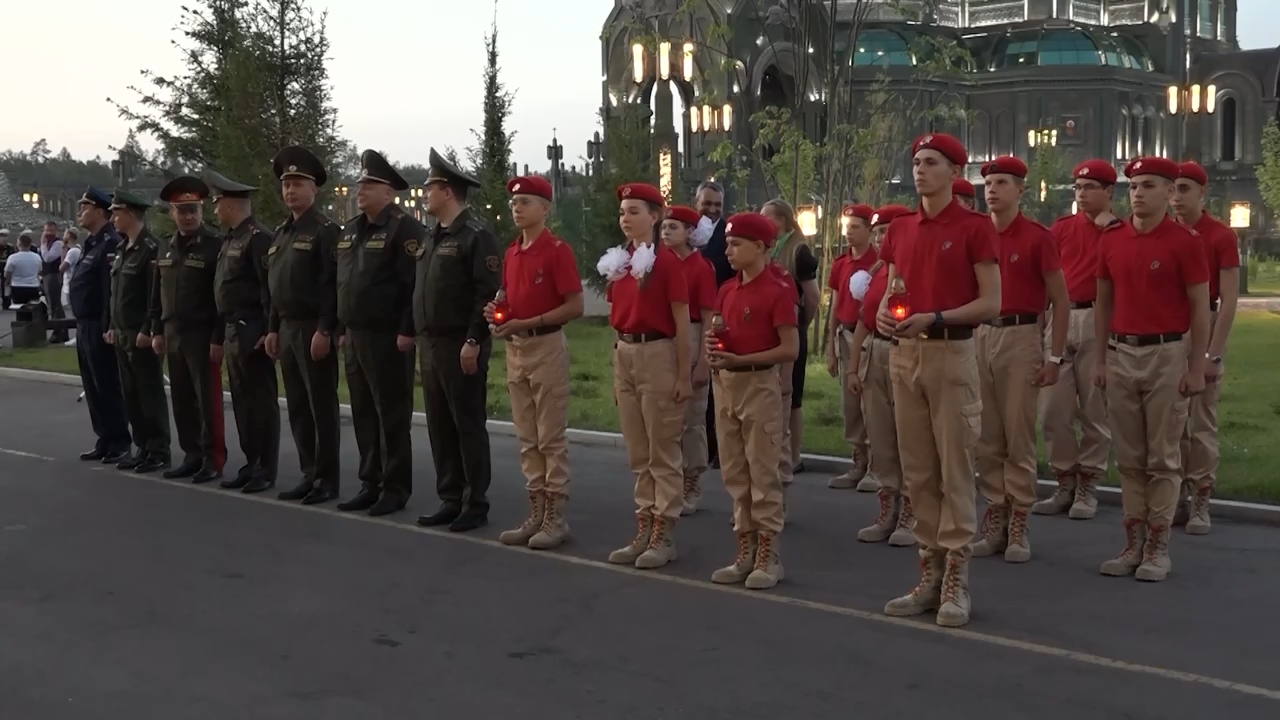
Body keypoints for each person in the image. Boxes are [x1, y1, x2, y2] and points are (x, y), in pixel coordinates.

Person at [876, 133, 1000, 628]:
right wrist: (887, 314)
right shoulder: (902, 229)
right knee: (918, 470)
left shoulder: (974, 227)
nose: (920, 170)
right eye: (916, 162)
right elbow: (892, 290)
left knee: (954, 469)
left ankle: (957, 579)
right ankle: (928, 572)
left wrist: (937, 316)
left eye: (931, 163)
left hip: (952, 353)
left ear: (954, 172)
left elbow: (991, 303)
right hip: (905, 356)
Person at [1094, 156, 1210, 582]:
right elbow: (1103, 301)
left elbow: (1201, 307)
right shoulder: (1112, 240)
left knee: (1162, 455)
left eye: (1148, 185)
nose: (1138, 193)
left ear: (1168, 191)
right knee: (1128, 456)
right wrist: (1102, 358)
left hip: (1167, 354)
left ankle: (1159, 545)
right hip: (1122, 351)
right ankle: (1133, 540)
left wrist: (1196, 367)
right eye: (1133, 186)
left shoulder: (1184, 242)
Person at [971, 156, 1069, 564]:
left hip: (1022, 334)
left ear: (1020, 190)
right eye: (989, 182)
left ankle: (1019, 520)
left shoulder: (1037, 237)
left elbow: (1060, 300)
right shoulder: (975, 234)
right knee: (985, 435)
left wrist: (1054, 356)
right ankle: (995, 513)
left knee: (1018, 433)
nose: (992, 190)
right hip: (981, 332)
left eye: (1003, 183)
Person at [489, 175, 584, 548]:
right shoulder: (513, 252)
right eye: (514, 203)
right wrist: (499, 314)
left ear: (545, 208)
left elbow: (574, 305)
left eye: (526, 202)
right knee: (527, 436)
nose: (517, 208)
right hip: (516, 349)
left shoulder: (556, 250)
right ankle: (536, 512)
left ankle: (556, 518)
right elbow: (512, 300)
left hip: (545, 346)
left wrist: (527, 321)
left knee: (550, 437)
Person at [601, 182, 692, 569]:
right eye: (623, 212)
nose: (626, 218)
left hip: (658, 353)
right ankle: (644, 524)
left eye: (635, 211)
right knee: (638, 450)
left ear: (655, 217)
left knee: (662, 448)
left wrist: (684, 375)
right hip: (626, 352)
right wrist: (614, 367)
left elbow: (682, 321)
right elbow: (614, 320)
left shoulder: (667, 262)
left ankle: (664, 532)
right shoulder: (619, 263)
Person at [706, 211, 798, 590]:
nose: (728, 250)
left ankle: (768, 554)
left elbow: (789, 348)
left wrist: (741, 360)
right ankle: (745, 548)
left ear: (761, 247)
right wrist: (716, 351)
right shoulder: (727, 289)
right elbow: (719, 331)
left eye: (736, 243)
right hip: (726, 384)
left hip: (759, 384)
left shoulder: (778, 289)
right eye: (728, 242)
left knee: (763, 474)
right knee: (735, 473)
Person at [411, 149, 500, 532]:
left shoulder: (475, 236)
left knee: (467, 423)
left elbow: (486, 294)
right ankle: (451, 496)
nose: (424, 193)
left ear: (447, 192)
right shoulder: (432, 236)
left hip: (460, 344)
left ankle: (475, 502)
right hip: (431, 345)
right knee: (439, 424)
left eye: (430, 187)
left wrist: (473, 340)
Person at [334, 150, 422, 518]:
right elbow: (343, 282)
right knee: (364, 413)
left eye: (369, 184)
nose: (361, 190)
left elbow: (412, 285)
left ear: (389, 192)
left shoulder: (405, 229)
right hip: (355, 336)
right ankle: (370, 482)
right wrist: (340, 327)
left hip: (388, 336)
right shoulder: (352, 230)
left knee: (391, 414)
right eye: (360, 183)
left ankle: (395, 487)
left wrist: (407, 329)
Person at [1033, 160, 1119, 520]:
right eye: (1078, 189)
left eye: (1090, 188)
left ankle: (1089, 484)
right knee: (1052, 409)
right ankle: (1064, 479)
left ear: (1109, 192)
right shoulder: (1062, 228)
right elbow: (1045, 279)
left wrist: (1107, 229)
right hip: (1061, 317)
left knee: (1095, 408)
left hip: (1098, 320)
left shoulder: (1119, 231)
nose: (1082, 195)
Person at [266, 146, 343, 506]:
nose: (290, 191)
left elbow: (331, 285)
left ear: (315, 188)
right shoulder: (281, 233)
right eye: (286, 185)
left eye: (298, 183)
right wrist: (271, 328)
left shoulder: (326, 231)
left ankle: (327, 478)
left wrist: (325, 329)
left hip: (313, 327)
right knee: (297, 405)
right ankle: (308, 472)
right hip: (286, 327)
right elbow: (275, 285)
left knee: (320, 406)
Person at [1172, 161, 1240, 535]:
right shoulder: (1162, 233)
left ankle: (1201, 498)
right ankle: (1176, 496)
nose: (1176, 197)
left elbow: (1227, 300)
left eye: (1184, 189)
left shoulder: (1220, 235)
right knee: (1170, 423)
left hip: (1204, 327)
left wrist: (1212, 354)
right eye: (1173, 189)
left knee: (1201, 420)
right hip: (1167, 330)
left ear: (1202, 193)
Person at [207, 169, 280, 494]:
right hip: (233, 328)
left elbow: (270, 289)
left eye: (217, 203)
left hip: (253, 329)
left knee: (260, 402)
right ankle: (251, 463)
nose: (214, 209)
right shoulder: (231, 239)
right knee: (242, 401)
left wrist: (268, 329)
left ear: (232, 204)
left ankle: (266, 467)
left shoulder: (258, 238)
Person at [847, 204, 916, 545]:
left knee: (909, 434)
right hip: (875, 350)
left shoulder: (915, 267)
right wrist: (852, 366)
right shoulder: (878, 272)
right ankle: (888, 506)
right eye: (877, 232)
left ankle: (911, 511)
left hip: (907, 349)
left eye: (887, 231)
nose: (881, 237)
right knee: (880, 431)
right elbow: (865, 316)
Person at [151, 175, 225, 484]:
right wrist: (156, 329)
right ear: (172, 213)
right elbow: (157, 293)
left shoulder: (214, 245)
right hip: (173, 332)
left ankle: (212, 458)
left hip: (202, 333)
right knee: (181, 398)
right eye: (182, 210)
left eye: (193, 209)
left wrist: (217, 337)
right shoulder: (165, 247)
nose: (188, 215)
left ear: (202, 210)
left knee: (207, 399)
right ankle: (191, 454)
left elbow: (222, 297)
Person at [106, 189, 171, 474]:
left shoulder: (150, 249)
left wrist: (149, 329)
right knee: (131, 395)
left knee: (149, 393)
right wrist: (111, 326)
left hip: (139, 334)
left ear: (131, 214)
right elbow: (116, 293)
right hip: (122, 333)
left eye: (116, 212)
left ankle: (158, 449)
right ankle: (142, 446)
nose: (112, 218)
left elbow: (153, 297)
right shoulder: (123, 249)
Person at [68, 188, 133, 464]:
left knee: (107, 383)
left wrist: (110, 325)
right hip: (84, 324)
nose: (80, 212)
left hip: (99, 324)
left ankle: (119, 440)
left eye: (85, 207)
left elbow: (110, 290)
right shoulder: (91, 243)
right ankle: (104, 437)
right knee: (92, 385)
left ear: (99, 211)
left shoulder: (110, 243)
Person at [660, 205, 715, 515]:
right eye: (665, 226)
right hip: (665, 338)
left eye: (674, 227)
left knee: (692, 419)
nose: (667, 232)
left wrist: (703, 361)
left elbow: (709, 317)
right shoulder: (658, 264)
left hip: (692, 335)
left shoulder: (700, 267)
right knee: (668, 416)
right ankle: (671, 481)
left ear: (691, 233)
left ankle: (692, 480)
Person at [760, 199, 819, 486]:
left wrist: (801, 324)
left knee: (791, 395)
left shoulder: (798, 249)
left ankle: (794, 455)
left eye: (767, 217)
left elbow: (812, 296)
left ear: (782, 220)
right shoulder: (768, 249)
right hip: (769, 333)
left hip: (791, 328)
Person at [825, 202, 877, 491]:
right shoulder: (840, 264)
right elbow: (834, 307)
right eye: (846, 227)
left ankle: (878, 465)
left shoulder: (879, 262)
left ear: (869, 230)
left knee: (872, 402)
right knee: (850, 403)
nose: (849, 233)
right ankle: (858, 460)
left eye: (855, 227)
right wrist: (831, 349)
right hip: (845, 337)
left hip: (869, 337)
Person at [694, 181, 731, 470]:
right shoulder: (684, 229)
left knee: (716, 384)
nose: (713, 209)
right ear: (697, 203)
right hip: (688, 318)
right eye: (707, 203)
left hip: (719, 316)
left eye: (717, 204)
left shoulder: (729, 234)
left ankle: (718, 447)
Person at [39, 221, 70, 343]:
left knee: (54, 305)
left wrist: (42, 245)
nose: (48, 233)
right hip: (47, 275)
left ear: (55, 231)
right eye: (46, 230)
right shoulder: (48, 243)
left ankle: (59, 332)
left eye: (51, 231)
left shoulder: (57, 243)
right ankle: (60, 331)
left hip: (53, 275)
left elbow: (48, 258)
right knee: (52, 305)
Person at [3, 233, 42, 305]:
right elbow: (39, 271)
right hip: (33, 286)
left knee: (20, 309)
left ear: (19, 244)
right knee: (33, 309)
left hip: (17, 287)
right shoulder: (37, 257)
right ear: (30, 244)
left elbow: (6, 274)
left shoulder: (13, 257)